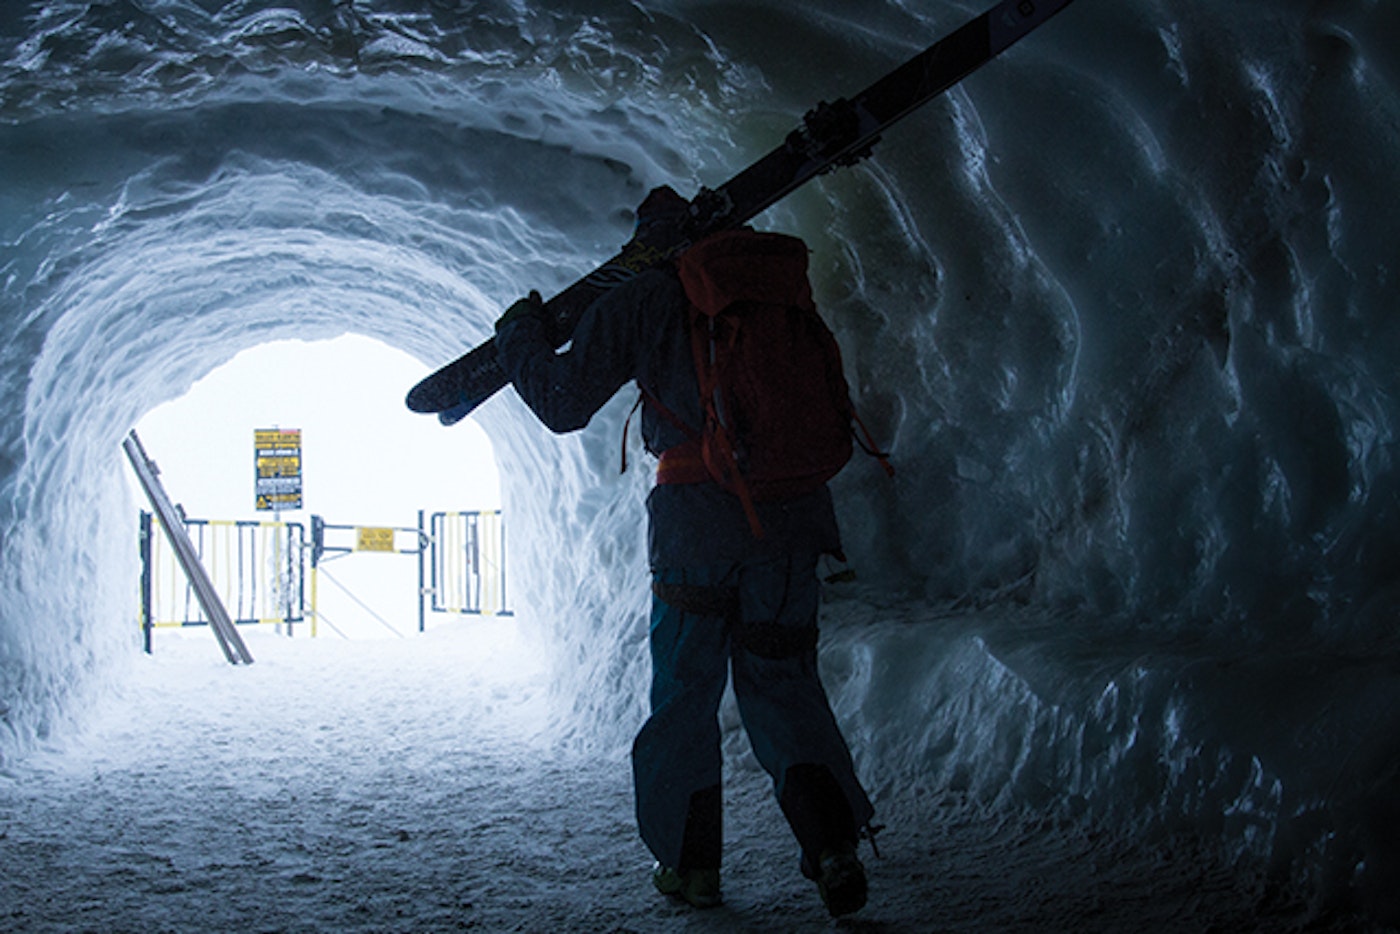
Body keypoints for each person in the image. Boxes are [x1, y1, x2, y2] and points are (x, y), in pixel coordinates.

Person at [493, 187, 875, 917]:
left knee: (683, 697)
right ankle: (834, 849)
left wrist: (519, 338)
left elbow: (564, 404)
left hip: (695, 526)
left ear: (647, 245)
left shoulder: (643, 296)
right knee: (785, 685)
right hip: (792, 521)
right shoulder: (770, 289)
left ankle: (691, 866)